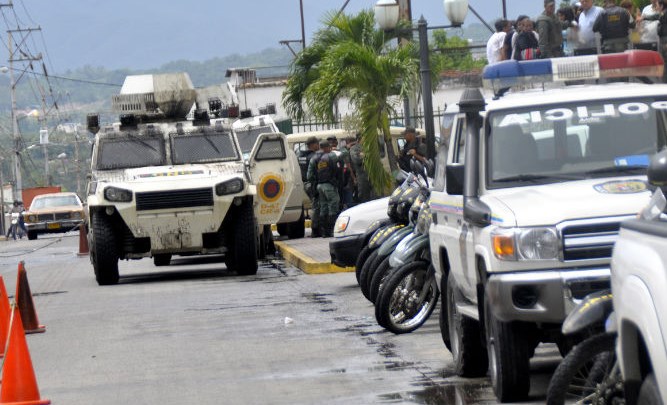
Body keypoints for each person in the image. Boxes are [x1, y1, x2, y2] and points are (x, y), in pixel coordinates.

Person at [307, 140, 342, 238]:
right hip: (330, 185)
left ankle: (324, 232)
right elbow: (338, 169)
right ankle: (331, 230)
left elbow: (309, 176)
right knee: (333, 205)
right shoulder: (332, 156)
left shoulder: (313, 158)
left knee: (323, 207)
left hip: (319, 187)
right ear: (327, 147)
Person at [298, 136, 322, 237]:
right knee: (317, 206)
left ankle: (316, 229)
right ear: (313, 145)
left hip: (305, 184)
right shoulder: (313, 156)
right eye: (317, 143)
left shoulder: (300, 156)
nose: (318, 145)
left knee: (315, 205)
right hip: (312, 183)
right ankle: (315, 230)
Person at [350, 132, 373, 204]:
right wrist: (366, 156)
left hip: (372, 176)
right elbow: (356, 160)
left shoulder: (370, 147)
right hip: (362, 176)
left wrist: (363, 155)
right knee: (363, 198)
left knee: (374, 198)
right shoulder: (354, 148)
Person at [339, 135, 357, 210]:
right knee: (349, 196)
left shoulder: (342, 150)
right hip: (348, 177)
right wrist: (354, 178)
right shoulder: (345, 151)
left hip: (345, 177)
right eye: (352, 144)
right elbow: (348, 166)